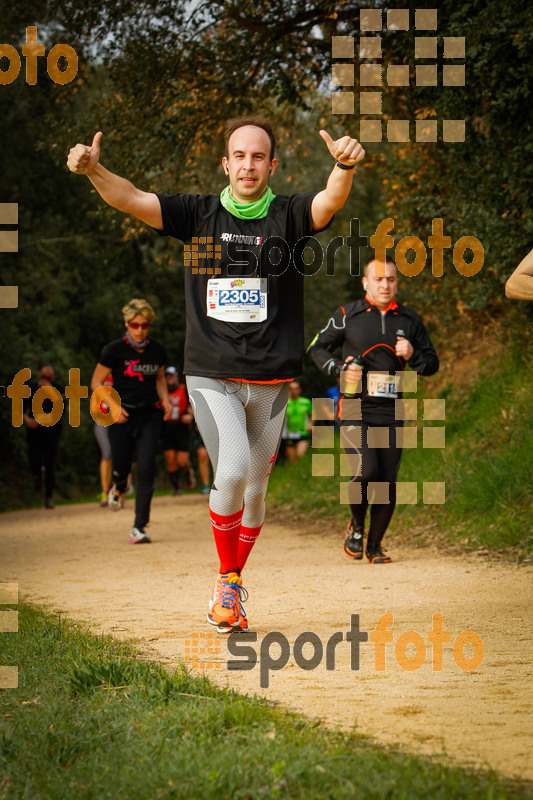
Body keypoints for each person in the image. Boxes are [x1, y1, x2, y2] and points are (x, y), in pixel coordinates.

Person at [67, 116, 365, 631]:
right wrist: (95, 171)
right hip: (210, 372)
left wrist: (342, 165)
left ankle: (230, 584)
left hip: (271, 378)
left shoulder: (290, 215)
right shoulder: (197, 213)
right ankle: (228, 580)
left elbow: (329, 202)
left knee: (256, 491)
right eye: (239, 156)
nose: (248, 165)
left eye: (258, 157)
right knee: (230, 471)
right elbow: (131, 197)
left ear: (272, 164)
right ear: (225, 163)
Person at [308, 257, 439, 563]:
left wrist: (413, 354)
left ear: (397, 283)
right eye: (378, 279)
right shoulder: (347, 315)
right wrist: (340, 368)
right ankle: (356, 525)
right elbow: (315, 347)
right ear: (365, 282)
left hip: (392, 410)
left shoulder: (409, 320)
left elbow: (432, 363)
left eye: (391, 279)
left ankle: (375, 546)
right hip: (354, 406)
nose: (385, 285)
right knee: (367, 471)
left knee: (388, 482)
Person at [90, 298, 171, 543]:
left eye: (144, 325)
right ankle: (118, 484)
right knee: (121, 467)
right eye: (135, 324)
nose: (139, 330)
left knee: (146, 467)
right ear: (126, 323)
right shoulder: (113, 349)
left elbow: (159, 379)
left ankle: (139, 526)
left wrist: (165, 401)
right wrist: (113, 407)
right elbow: (96, 382)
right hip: (122, 415)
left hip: (150, 414)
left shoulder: (157, 350)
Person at [22, 364, 64, 509]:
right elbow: (20, 408)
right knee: (34, 459)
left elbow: (62, 408)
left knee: (50, 463)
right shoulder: (31, 388)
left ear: (53, 377)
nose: (46, 379)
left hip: (52, 431)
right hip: (35, 431)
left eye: (49, 377)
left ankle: (49, 496)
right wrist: (27, 420)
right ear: (39, 374)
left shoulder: (58, 388)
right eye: (43, 377)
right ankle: (36, 476)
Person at [162, 366, 195, 495]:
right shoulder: (162, 391)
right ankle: (177, 488)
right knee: (170, 459)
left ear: (176, 377)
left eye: (172, 376)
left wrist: (190, 415)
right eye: (167, 376)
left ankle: (187, 471)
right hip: (167, 427)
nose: (170, 378)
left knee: (182, 461)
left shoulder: (183, 389)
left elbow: (192, 404)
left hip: (182, 427)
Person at [94, 374, 113, 505]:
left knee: (118, 454)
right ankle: (104, 491)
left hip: (118, 420)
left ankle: (119, 488)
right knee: (107, 453)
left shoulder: (122, 373)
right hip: (101, 421)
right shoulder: (98, 377)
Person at [282, 380, 312, 465]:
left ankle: (302, 473)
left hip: (302, 433)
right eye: (291, 389)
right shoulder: (285, 403)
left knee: (300, 455)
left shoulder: (306, 402)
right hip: (289, 434)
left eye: (296, 389)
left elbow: (313, 413)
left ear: (299, 390)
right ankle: (295, 476)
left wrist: (311, 424)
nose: (294, 391)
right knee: (291, 460)